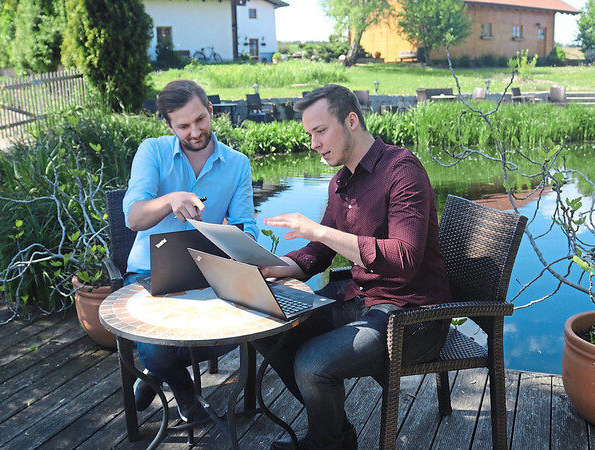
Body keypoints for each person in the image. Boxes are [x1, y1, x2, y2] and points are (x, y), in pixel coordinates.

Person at [254, 84, 451, 450]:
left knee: (312, 364)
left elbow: (404, 259)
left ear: (351, 120)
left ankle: (324, 443)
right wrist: (278, 266)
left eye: (320, 130)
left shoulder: (402, 170)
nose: (313, 142)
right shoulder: (340, 182)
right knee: (268, 328)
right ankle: (335, 437)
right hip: (360, 302)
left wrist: (319, 230)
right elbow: (320, 250)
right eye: (309, 133)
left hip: (413, 318)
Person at [122, 79, 258, 423]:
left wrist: (242, 242)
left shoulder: (237, 163)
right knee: (153, 344)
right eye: (183, 125)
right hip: (148, 271)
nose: (195, 131)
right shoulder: (152, 151)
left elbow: (246, 224)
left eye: (201, 119)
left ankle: (157, 369)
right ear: (168, 126)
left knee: (255, 324)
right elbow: (133, 217)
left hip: (207, 272)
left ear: (211, 111)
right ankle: (185, 393)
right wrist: (170, 200)